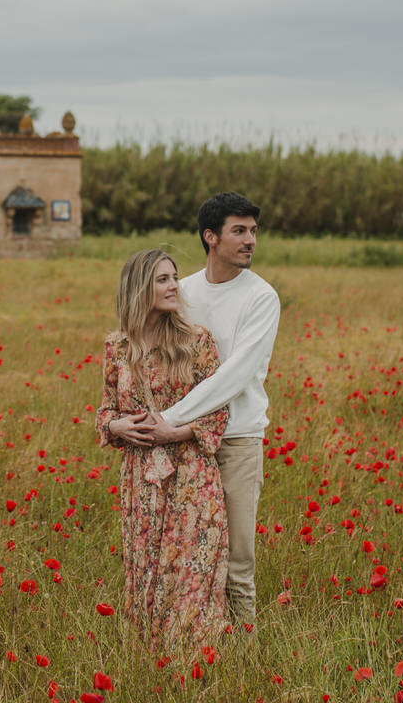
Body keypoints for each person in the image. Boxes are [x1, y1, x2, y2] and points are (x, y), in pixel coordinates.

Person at [135, 192, 280, 634]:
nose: (250, 240)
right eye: (239, 230)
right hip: (183, 444)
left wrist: (170, 419)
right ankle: (192, 647)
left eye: (253, 231)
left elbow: (233, 377)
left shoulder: (261, 297)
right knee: (185, 554)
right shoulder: (184, 292)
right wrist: (136, 419)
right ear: (210, 236)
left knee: (236, 561)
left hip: (235, 440)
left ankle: (244, 655)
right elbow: (151, 356)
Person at [96, 248, 230, 649]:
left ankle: (195, 663)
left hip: (191, 476)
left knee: (192, 573)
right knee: (147, 570)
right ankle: (149, 662)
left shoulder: (196, 341)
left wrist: (177, 433)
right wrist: (117, 426)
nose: (174, 286)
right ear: (139, 288)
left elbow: (219, 412)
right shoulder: (117, 347)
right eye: (163, 280)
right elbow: (105, 411)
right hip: (141, 480)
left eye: (174, 277)